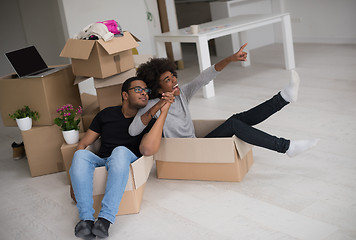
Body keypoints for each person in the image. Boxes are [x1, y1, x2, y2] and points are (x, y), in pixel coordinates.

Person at [129, 43, 319, 157]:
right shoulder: (152, 105)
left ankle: (284, 98)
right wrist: (162, 105)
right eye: (167, 80)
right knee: (235, 125)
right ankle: (286, 147)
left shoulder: (182, 94)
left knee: (237, 119)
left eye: (173, 76)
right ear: (158, 87)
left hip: (196, 143)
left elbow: (204, 77)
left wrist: (229, 59)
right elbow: (133, 130)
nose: (174, 81)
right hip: (186, 152)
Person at [69, 77, 172, 239]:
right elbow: (83, 144)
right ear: (125, 95)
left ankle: (105, 219)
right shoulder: (106, 114)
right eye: (138, 89)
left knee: (120, 151)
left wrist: (162, 109)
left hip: (127, 161)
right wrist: (72, 182)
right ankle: (86, 220)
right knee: (80, 154)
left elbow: (149, 148)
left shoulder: (148, 122)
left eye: (146, 91)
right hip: (103, 160)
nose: (144, 93)